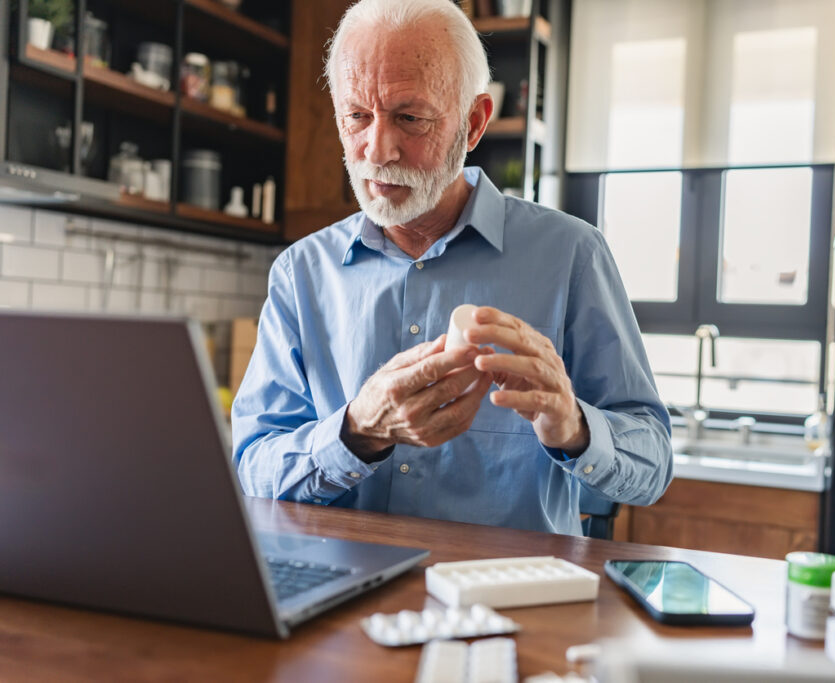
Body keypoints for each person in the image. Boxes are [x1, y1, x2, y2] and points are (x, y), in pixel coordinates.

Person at [231, 0, 672, 534]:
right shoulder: (300, 274)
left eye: (409, 118)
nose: (377, 149)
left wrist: (574, 426)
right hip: (340, 599)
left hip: (512, 604)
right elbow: (252, 470)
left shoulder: (571, 256)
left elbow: (653, 466)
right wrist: (356, 431)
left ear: (475, 122)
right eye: (357, 116)